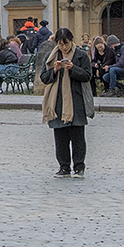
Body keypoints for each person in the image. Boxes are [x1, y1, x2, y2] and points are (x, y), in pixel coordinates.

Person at [41, 28, 93, 177]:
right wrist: (54, 70)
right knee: (60, 138)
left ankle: (79, 167)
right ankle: (64, 167)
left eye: (67, 44)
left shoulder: (81, 55)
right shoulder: (50, 57)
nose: (64, 47)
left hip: (76, 101)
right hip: (57, 102)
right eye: (61, 44)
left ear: (71, 41)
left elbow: (87, 76)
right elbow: (44, 78)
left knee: (78, 137)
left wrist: (73, 69)